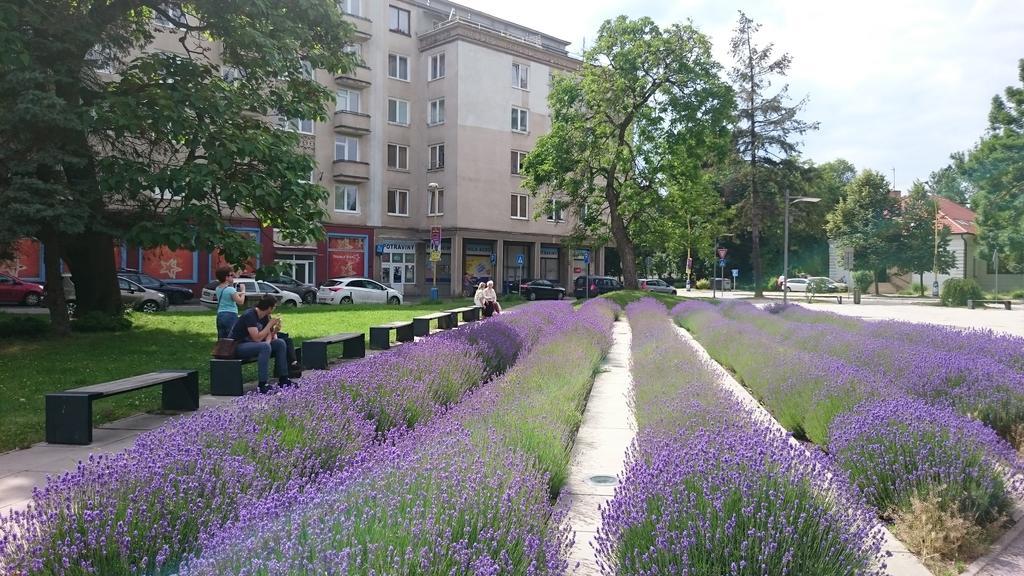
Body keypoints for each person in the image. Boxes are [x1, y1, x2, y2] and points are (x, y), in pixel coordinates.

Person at [229, 295, 294, 392]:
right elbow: (257, 338)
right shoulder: (250, 315)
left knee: (280, 343)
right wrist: (269, 326)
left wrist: (275, 331)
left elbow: (268, 336)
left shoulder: (265, 317)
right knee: (264, 347)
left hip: (255, 345)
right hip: (238, 346)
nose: (275, 308)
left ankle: (284, 379)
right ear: (269, 307)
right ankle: (263, 384)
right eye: (274, 306)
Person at [214, 265, 245, 338]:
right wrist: (243, 291)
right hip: (230, 315)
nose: (233, 277)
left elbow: (228, 295)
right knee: (231, 337)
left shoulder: (218, 288)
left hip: (220, 315)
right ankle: (231, 350)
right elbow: (240, 302)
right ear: (226, 277)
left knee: (222, 338)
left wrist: (238, 293)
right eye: (231, 275)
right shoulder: (230, 289)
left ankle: (221, 349)